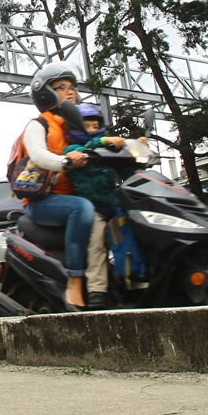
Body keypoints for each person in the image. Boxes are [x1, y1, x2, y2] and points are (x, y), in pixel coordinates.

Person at [21, 62, 95, 308]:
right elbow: (39, 155)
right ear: (46, 92)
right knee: (81, 208)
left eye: (72, 86)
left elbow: (101, 143)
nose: (70, 91)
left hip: (74, 194)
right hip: (43, 201)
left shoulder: (76, 126)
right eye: (61, 87)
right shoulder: (38, 124)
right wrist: (66, 161)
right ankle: (74, 279)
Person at [63, 103, 148, 309]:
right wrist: (103, 139)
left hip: (115, 205)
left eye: (95, 126)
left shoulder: (109, 147)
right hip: (93, 208)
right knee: (96, 245)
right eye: (87, 126)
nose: (92, 129)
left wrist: (137, 144)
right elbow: (86, 149)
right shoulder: (73, 150)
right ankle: (97, 291)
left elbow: (129, 159)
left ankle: (134, 279)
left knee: (130, 238)